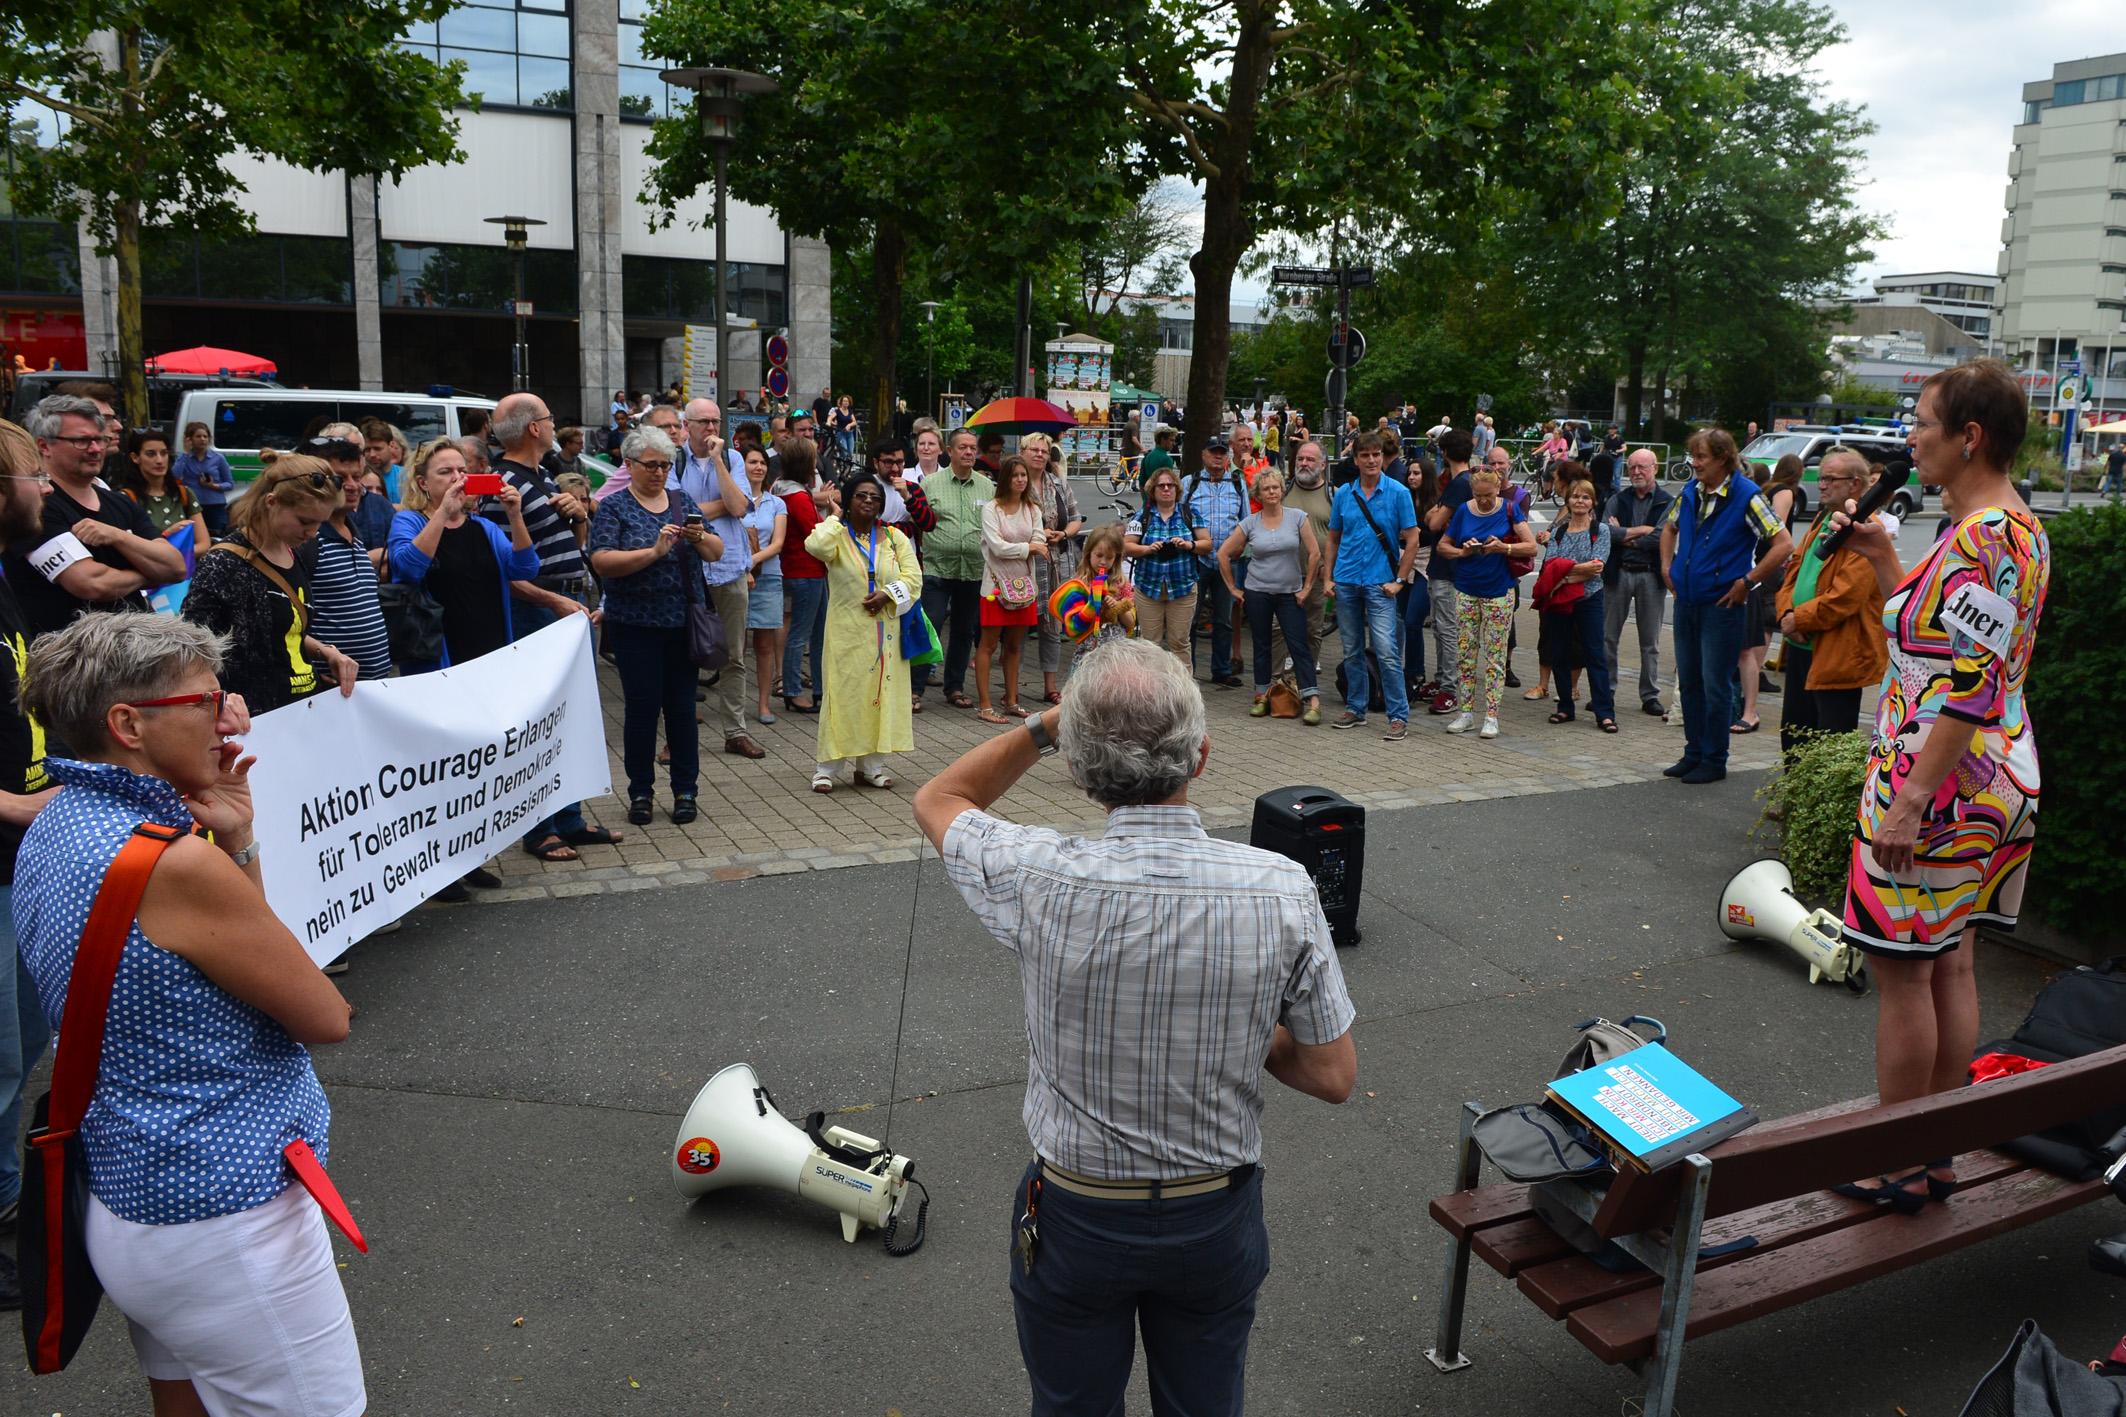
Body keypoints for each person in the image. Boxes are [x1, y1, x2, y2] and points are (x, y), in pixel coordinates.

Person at [912, 639, 1356, 1417]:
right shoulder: (1281, 888)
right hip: (1213, 1214)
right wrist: (1246, 1027)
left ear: (1081, 772)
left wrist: (1051, 724)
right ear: (1203, 755)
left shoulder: (1037, 873)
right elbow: (1332, 1074)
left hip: (1078, 1215)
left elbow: (940, 800)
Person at [15, 611, 360, 1416]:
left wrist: (232, 834)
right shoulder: (174, 864)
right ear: (129, 724)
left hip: (132, 1196)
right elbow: (323, 1012)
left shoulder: (59, 822)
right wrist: (231, 849)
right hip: (226, 1214)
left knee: (189, 1404)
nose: (230, 714)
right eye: (205, 700)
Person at [1832, 360, 2049, 1211]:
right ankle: (1937, 1153)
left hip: (1938, 781)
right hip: (1998, 771)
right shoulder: (2016, 529)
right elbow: (1938, 650)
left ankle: (1894, 1163)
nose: (1910, 435)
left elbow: (1968, 683)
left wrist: (1914, 796)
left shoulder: (1980, 537)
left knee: (1904, 973)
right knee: (1951, 960)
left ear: (1971, 436)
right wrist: (1887, 556)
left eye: (1923, 420)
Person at [485, 394, 617, 860]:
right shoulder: (501, 483)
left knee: (570, 715)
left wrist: (577, 519)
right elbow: (505, 568)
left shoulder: (540, 476)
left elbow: (557, 545)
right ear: (533, 430)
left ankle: (570, 819)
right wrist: (554, 600)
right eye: (548, 416)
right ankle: (538, 829)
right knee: (539, 721)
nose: (554, 422)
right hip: (539, 609)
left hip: (566, 602)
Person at [588, 425, 722, 826]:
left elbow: (717, 551)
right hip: (635, 626)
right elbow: (602, 560)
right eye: (650, 465)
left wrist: (698, 538)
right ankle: (640, 792)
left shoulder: (682, 502)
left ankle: (685, 791)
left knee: (681, 711)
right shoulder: (614, 507)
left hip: (683, 625)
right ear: (629, 465)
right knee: (642, 711)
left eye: (665, 465)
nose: (659, 472)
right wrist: (653, 551)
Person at [0, 421, 61, 1277]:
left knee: (20, 1047)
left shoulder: (7, 576)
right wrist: (18, 802)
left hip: (18, 859)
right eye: (31, 474)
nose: (43, 489)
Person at [1658, 428, 1793, 785]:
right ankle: (1694, 752)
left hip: (1722, 602)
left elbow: (1783, 544)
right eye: (1694, 456)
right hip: (1688, 600)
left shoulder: (1747, 496)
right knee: (1689, 680)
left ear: (1722, 458)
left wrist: (1747, 581)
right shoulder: (1691, 491)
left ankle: (1715, 759)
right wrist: (1666, 567)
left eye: (1701, 457)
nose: (1694, 463)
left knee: (1714, 683)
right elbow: (1669, 529)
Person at [180, 454, 360, 713]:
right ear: (272, 502)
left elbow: (285, 630)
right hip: (254, 718)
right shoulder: (224, 563)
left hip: (302, 707)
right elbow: (191, 648)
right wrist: (221, 703)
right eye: (305, 521)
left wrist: (326, 652)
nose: (313, 533)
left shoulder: (294, 551)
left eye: (321, 522)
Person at [6, 394, 188, 640]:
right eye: (81, 441)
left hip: (136, 651)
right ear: (44, 446)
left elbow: (176, 566)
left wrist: (116, 536)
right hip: (74, 659)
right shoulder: (39, 506)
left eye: (99, 439)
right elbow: (92, 583)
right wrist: (151, 573)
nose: (95, 449)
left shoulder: (119, 501)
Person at [803, 471, 921, 792]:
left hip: (886, 633)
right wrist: (835, 517)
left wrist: (887, 593)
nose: (869, 501)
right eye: (861, 495)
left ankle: (871, 766)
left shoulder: (895, 538)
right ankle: (826, 767)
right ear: (849, 499)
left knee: (880, 696)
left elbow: (914, 579)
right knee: (843, 695)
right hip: (846, 631)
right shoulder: (837, 537)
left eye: (875, 497)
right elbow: (814, 545)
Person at [390, 438, 540, 674]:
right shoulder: (409, 521)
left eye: (462, 471)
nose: (457, 478)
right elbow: (407, 570)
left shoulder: (484, 527)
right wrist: (443, 513)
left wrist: (515, 516)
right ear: (423, 483)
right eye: (445, 472)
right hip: (438, 659)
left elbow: (525, 569)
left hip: (490, 650)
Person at [1773, 448, 1886, 758]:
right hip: (1800, 646)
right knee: (1794, 729)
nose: (1821, 485)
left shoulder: (1866, 530)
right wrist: (1785, 612)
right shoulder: (1823, 521)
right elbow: (1792, 573)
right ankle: (1793, 798)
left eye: (1829, 479)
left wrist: (1799, 619)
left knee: (1829, 738)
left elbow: (1845, 597)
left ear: (1855, 484)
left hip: (1837, 653)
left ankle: (1819, 804)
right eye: (1820, 478)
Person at [674, 397, 767, 761]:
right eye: (704, 423)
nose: (712, 429)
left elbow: (741, 506)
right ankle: (677, 737)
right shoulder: (675, 460)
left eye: (716, 422)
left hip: (729, 568)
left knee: (734, 655)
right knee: (683, 655)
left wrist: (716, 461)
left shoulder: (731, 460)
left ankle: (735, 732)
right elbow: (674, 510)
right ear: (688, 425)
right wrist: (719, 507)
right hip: (687, 571)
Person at [1324, 431, 1420, 738]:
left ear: (1383, 457)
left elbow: (1413, 538)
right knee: (1351, 650)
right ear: (1356, 459)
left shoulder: (1398, 492)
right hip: (1347, 579)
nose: (1371, 460)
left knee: (1386, 651)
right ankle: (1356, 708)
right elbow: (1333, 538)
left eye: (1376, 454)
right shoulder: (1344, 494)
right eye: (1365, 455)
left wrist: (1400, 580)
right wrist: (1328, 577)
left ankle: (1398, 715)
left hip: (1381, 583)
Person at [1437, 464, 1537, 738]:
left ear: (1498, 487)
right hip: (1466, 589)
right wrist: (1462, 553)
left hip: (1499, 592)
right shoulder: (1463, 511)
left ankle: (1491, 715)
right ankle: (1466, 712)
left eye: (1488, 495)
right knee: (1465, 656)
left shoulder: (1509, 508)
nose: (1483, 500)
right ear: (1472, 491)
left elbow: (1531, 546)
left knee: (1494, 658)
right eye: (1478, 495)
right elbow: (1443, 546)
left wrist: (1502, 548)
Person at [1219, 467, 1322, 724]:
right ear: (1259, 494)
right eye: (1266, 488)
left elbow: (1314, 553)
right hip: (1258, 592)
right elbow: (1223, 554)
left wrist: (1307, 587)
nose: (1272, 492)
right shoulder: (1250, 522)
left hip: (1290, 593)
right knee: (1262, 644)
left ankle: (1313, 700)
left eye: (1276, 487)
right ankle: (1261, 695)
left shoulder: (1297, 517)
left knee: (1299, 644)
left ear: (1282, 489)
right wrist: (1233, 588)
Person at [912, 428, 992, 709]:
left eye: (973, 448)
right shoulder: (930, 484)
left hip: (972, 570)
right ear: (950, 451)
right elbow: (918, 522)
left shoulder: (987, 487)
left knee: (964, 631)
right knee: (929, 625)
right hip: (937, 569)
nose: (969, 452)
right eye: (963, 447)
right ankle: (915, 688)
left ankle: (954, 688)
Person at [308, 436, 396, 684]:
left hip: (371, 686)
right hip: (331, 689)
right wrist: (313, 667)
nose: (352, 485)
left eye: (356, 477)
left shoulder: (354, 535)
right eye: (340, 478)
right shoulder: (308, 541)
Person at [1537, 479, 1615, 730]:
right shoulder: (1559, 531)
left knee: (1595, 654)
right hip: (1560, 600)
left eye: (1585, 497)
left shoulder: (1600, 530)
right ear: (1568, 501)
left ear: (1593, 502)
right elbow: (1550, 565)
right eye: (1575, 497)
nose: (1580, 501)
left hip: (1589, 598)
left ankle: (1604, 712)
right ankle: (1565, 708)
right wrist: (1574, 570)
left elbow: (1597, 566)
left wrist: (1565, 571)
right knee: (1560, 652)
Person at [1735, 453, 1805, 734]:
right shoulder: (1785, 492)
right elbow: (1778, 524)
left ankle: (1748, 706)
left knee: (1751, 637)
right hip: (1763, 567)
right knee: (1763, 624)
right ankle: (1751, 686)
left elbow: (1775, 532)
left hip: (1755, 569)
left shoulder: (1767, 490)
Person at [975, 454, 1047, 725]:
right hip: (995, 586)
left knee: (1015, 646)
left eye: (1024, 475)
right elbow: (997, 547)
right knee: (989, 644)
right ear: (1006, 478)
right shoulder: (991, 509)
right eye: (1015, 475)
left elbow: (1040, 536)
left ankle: (1012, 700)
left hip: (1025, 587)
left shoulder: (1032, 509)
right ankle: (984, 705)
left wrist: (1033, 544)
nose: (1020, 480)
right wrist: (1029, 548)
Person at [1605, 447, 1675, 716]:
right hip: (1619, 572)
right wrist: (1642, 531)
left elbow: (1662, 538)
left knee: (1651, 641)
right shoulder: (1617, 498)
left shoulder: (1667, 501)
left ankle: (1650, 695)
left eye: (1642, 467)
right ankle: (1607, 691)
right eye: (1632, 467)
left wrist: (1625, 535)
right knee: (1608, 637)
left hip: (1650, 575)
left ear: (1655, 468)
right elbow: (1605, 532)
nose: (1635, 472)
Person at [1181, 435, 1249, 687]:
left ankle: (1221, 669)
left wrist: (1241, 547)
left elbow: (1246, 522)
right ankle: (1187, 671)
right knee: (1190, 617)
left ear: (1228, 456)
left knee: (1224, 619)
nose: (1218, 456)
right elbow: (1179, 516)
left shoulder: (1238, 482)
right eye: (1213, 451)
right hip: (1195, 560)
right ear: (1203, 455)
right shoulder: (1190, 483)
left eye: (1222, 452)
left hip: (1227, 563)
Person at [1419, 431, 1478, 715]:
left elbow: (1434, 521)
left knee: (1447, 630)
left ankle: (1450, 688)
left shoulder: (1458, 484)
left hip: (1447, 566)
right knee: (1444, 628)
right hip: (1453, 567)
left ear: (1444, 453)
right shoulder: (1471, 480)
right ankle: (1443, 680)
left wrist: (1435, 513)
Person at [1124, 466, 1209, 661]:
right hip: (1148, 588)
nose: (1166, 489)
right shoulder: (1141, 516)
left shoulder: (1190, 513)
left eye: (1170, 485)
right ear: (1153, 490)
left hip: (1183, 588)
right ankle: (1152, 689)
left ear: (1177, 489)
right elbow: (1127, 546)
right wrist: (1147, 549)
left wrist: (1189, 545)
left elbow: (1207, 544)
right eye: (1161, 485)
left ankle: (1184, 690)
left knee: (1179, 642)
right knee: (1150, 643)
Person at [1024, 432, 1083, 705]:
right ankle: (1011, 688)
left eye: (1044, 451)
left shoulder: (1059, 484)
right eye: (1034, 450)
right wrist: (1036, 533)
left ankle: (1050, 687)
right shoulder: (1016, 483)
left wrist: (1064, 534)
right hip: (1023, 564)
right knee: (1016, 628)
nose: (1039, 455)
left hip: (1057, 562)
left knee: (1052, 627)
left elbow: (1074, 519)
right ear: (1023, 453)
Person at [774, 436, 830, 715]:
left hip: (805, 570)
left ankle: (820, 687)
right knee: (803, 633)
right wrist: (833, 516)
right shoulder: (797, 496)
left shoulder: (782, 489)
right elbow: (816, 531)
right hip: (806, 570)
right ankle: (794, 691)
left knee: (817, 631)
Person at [740, 445, 787, 726]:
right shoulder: (732, 498)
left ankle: (764, 703)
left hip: (768, 576)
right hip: (735, 578)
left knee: (765, 644)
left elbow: (778, 543)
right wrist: (742, 567)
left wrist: (750, 561)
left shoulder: (776, 503)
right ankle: (733, 705)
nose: (758, 467)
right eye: (752, 461)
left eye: (762, 463)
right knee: (733, 645)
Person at [116, 427, 210, 548]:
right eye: (151, 454)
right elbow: (128, 548)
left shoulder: (184, 493)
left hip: (184, 566)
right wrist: (166, 536)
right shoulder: (126, 499)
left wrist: (178, 557)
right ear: (135, 457)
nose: (159, 460)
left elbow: (204, 544)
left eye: (164, 453)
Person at [171, 421, 236, 538]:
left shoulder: (218, 458)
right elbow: (175, 476)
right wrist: (185, 453)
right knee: (194, 538)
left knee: (217, 538)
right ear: (189, 439)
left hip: (215, 506)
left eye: (205, 436)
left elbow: (230, 484)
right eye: (198, 436)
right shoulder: (184, 458)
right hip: (192, 507)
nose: (202, 439)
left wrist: (212, 486)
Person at [830, 393, 859, 459]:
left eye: (847, 401)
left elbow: (854, 422)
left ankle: (847, 468)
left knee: (850, 453)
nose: (846, 402)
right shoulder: (837, 411)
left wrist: (849, 425)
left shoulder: (850, 411)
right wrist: (830, 423)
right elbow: (830, 418)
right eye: (844, 401)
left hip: (850, 434)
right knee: (844, 452)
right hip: (841, 433)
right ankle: (843, 467)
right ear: (841, 402)